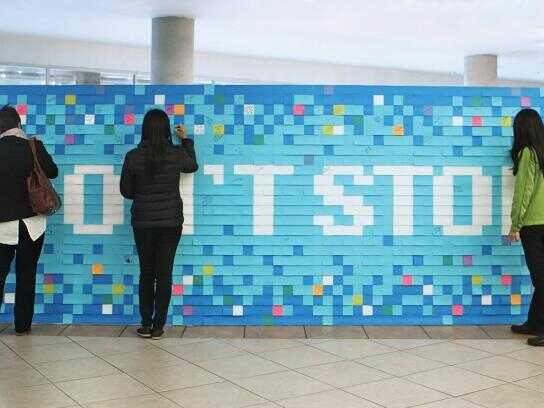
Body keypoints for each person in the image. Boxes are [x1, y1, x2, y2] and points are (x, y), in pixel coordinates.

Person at [120, 109, 198, 340]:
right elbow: (192, 165)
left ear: (144, 129)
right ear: (166, 130)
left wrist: (142, 192)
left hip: (143, 222)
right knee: (164, 273)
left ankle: (145, 323)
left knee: (146, 272)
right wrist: (185, 140)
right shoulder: (175, 154)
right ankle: (158, 326)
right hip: (171, 221)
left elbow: (126, 191)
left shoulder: (133, 156)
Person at [0, 105, 58, 335]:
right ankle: (22, 326)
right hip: (32, 224)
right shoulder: (34, 146)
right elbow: (52, 172)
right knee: (26, 274)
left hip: (1, 225)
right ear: (19, 124)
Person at [508, 108, 544, 347]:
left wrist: (515, 224)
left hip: (533, 224)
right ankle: (532, 322)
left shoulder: (528, 153)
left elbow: (524, 192)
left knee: (541, 279)